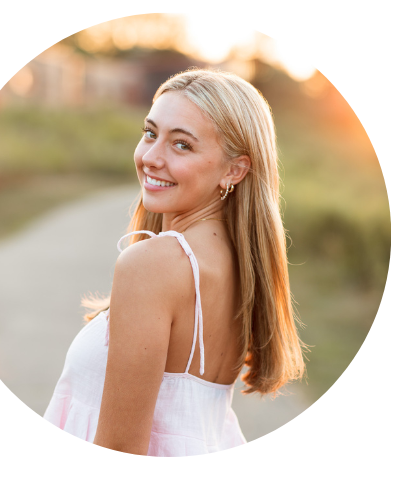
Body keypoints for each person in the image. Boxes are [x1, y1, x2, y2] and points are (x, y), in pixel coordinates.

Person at [41, 68, 308, 479]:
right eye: (150, 133)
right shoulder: (240, 264)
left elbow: (121, 453)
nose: (151, 157)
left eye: (181, 144)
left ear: (234, 170)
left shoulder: (152, 264)